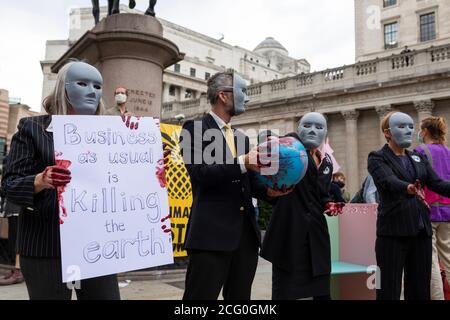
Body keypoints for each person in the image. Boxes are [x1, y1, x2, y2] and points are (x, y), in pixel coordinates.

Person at [3, 61, 120, 300]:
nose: (91, 91)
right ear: (62, 88)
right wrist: (40, 180)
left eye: (98, 86)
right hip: (47, 246)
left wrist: (152, 168)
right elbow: (10, 186)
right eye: (82, 83)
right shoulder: (32, 128)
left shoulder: (111, 136)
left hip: (96, 246)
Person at [180, 71, 290, 300]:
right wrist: (242, 162)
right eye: (243, 91)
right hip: (211, 236)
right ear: (223, 96)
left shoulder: (241, 138)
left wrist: (270, 191)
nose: (247, 98)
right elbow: (200, 174)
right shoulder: (193, 129)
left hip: (245, 238)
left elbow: (248, 182)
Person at [261, 112, 344, 300]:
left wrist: (328, 204)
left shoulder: (326, 161)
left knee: (322, 291)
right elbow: (265, 177)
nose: (313, 131)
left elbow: (321, 194)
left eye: (319, 127)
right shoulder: (286, 148)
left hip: (316, 234)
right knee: (285, 291)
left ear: (325, 133)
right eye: (307, 126)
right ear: (298, 128)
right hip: (289, 231)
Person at [368, 111, 450, 300]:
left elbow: (437, 184)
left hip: (421, 232)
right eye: (402, 126)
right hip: (392, 233)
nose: (408, 131)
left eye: (411, 127)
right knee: (388, 289)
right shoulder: (377, 157)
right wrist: (408, 187)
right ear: (387, 132)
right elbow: (387, 181)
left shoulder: (418, 158)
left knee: (420, 289)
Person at [415, 116, 450, 300]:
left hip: (429, 211)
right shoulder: (448, 151)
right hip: (448, 211)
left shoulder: (420, 151)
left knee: (431, 261)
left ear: (425, 131)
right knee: (449, 257)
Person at [0, 156, 24, 286]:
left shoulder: (22, 158)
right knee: (14, 239)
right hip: (11, 205)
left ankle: (19, 271)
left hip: (20, 205)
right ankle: (17, 269)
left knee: (19, 239)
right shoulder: (9, 158)